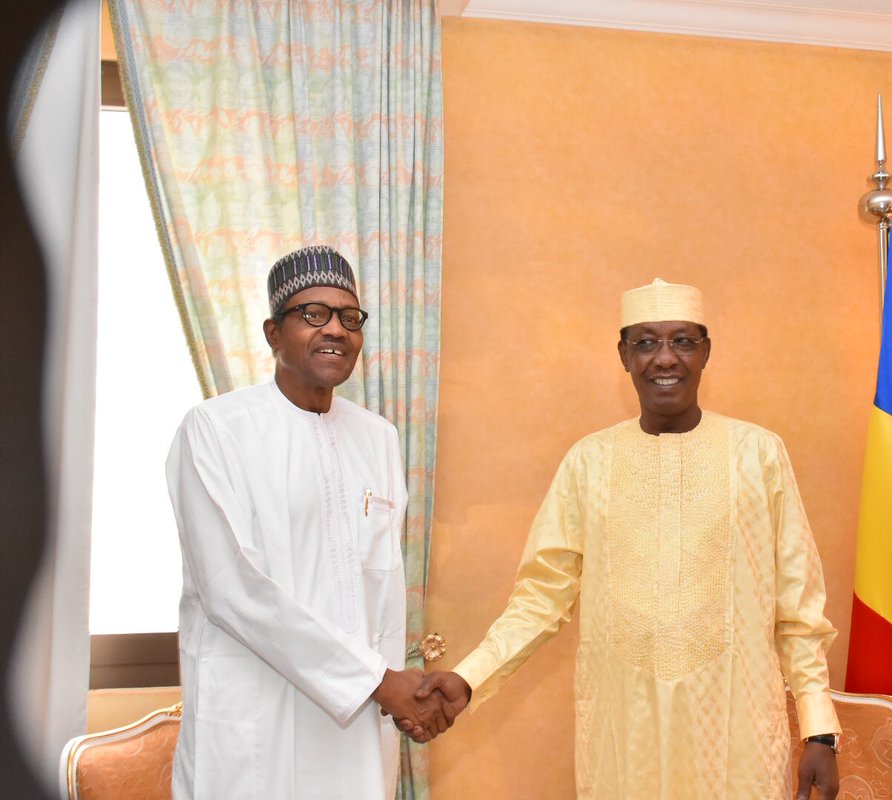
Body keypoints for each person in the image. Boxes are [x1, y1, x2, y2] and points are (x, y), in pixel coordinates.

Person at [421, 278, 841, 799]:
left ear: (706, 351)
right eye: (646, 342)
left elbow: (798, 607)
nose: (665, 358)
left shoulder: (758, 454)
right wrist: (468, 678)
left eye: (682, 341)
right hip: (624, 739)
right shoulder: (589, 462)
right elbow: (539, 599)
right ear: (624, 355)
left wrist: (820, 730)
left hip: (740, 741)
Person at [165, 245, 459, 800]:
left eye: (351, 318)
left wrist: (398, 697)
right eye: (313, 314)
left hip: (354, 728)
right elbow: (234, 591)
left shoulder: (379, 438)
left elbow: (384, 596)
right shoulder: (215, 430)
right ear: (273, 333)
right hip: (259, 718)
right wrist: (378, 682)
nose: (337, 330)